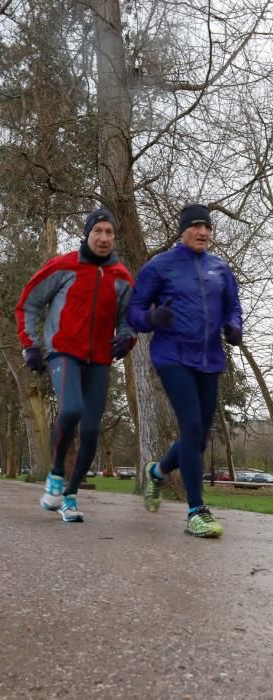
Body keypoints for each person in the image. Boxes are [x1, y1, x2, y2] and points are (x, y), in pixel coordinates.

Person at [127, 203, 242, 538]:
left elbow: (233, 306)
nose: (203, 232)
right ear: (182, 230)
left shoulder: (220, 268)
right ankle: (196, 511)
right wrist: (150, 318)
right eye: (196, 227)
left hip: (210, 359)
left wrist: (234, 327)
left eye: (207, 228)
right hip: (172, 356)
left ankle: (157, 472)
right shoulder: (159, 266)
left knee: (200, 437)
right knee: (191, 426)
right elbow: (134, 310)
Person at [15, 208, 136, 522]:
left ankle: (69, 496)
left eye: (109, 232)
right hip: (63, 351)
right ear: (87, 234)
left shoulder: (121, 277)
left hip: (99, 359)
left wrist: (127, 337)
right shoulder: (63, 266)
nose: (104, 238)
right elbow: (29, 302)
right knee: (70, 410)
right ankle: (55, 473)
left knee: (92, 430)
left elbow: (129, 319)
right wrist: (30, 345)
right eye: (98, 231)